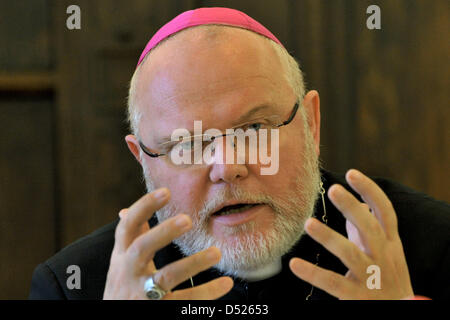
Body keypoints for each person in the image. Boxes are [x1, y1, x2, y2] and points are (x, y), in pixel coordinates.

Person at [29, 7, 449, 300]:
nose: (228, 167)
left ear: (311, 124)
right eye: (188, 144)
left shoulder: (433, 245)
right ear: (143, 159)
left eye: (254, 128)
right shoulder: (75, 285)